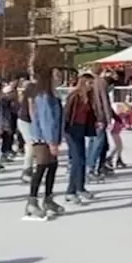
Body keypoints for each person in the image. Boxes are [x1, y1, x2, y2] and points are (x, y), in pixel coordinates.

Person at [24, 71, 64, 220]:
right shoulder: (44, 97)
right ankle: (32, 201)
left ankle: (48, 198)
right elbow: (47, 121)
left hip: (51, 137)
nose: (59, 78)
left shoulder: (54, 96)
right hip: (42, 138)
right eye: (57, 76)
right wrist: (51, 142)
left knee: (52, 166)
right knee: (41, 167)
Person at [62, 73, 99, 203]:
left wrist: (95, 122)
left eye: (92, 83)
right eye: (89, 83)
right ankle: (70, 191)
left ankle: (80, 187)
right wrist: (63, 130)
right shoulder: (74, 96)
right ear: (83, 83)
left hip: (81, 129)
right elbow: (66, 114)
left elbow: (90, 114)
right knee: (77, 160)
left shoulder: (88, 97)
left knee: (82, 159)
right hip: (71, 130)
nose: (91, 86)